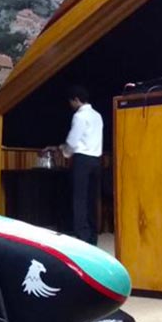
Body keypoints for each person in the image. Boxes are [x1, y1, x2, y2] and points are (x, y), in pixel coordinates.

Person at [48, 85, 104, 244]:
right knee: (91, 199)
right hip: (96, 160)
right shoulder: (97, 115)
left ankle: (83, 237)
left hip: (82, 160)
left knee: (79, 199)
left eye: (71, 102)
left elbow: (73, 141)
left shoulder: (79, 116)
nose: (70, 105)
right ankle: (93, 236)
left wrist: (64, 152)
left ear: (76, 100)